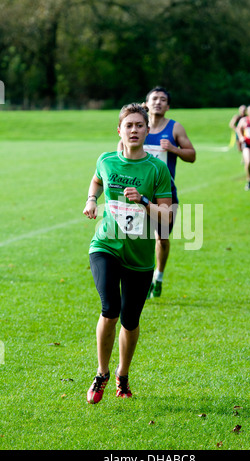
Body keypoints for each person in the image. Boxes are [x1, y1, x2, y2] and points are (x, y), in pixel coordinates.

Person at [83, 103, 172, 404]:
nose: (134, 130)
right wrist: (91, 200)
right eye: (129, 125)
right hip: (106, 245)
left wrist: (143, 200)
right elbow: (97, 179)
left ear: (147, 130)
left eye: (139, 125)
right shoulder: (106, 160)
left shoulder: (156, 168)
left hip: (140, 255)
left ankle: (123, 374)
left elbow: (166, 217)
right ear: (119, 130)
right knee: (110, 308)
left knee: (130, 321)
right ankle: (101, 373)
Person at [118, 86, 196, 298]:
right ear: (147, 102)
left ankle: (158, 278)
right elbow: (119, 152)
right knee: (131, 237)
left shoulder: (174, 128)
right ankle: (132, 279)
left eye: (163, 99)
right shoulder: (137, 126)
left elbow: (192, 155)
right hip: (135, 194)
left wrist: (173, 149)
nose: (158, 102)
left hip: (164, 194)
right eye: (154, 99)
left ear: (168, 105)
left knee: (161, 238)